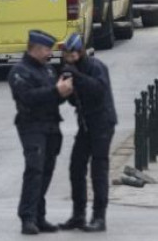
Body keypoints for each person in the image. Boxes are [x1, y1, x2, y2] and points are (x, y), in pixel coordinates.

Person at [7, 30, 74, 235]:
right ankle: (27, 217)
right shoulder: (20, 72)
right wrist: (55, 91)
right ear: (35, 49)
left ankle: (39, 216)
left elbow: (54, 97)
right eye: (46, 50)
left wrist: (64, 92)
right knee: (34, 170)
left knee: (46, 171)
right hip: (31, 126)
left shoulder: (48, 70)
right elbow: (28, 97)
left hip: (51, 125)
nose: (50, 54)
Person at [58, 33, 117, 233]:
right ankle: (78, 214)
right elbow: (75, 100)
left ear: (80, 51)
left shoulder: (95, 66)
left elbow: (99, 90)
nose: (70, 57)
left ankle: (99, 217)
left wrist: (77, 77)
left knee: (98, 169)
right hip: (85, 124)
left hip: (102, 123)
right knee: (76, 167)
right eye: (67, 54)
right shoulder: (70, 69)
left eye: (73, 53)